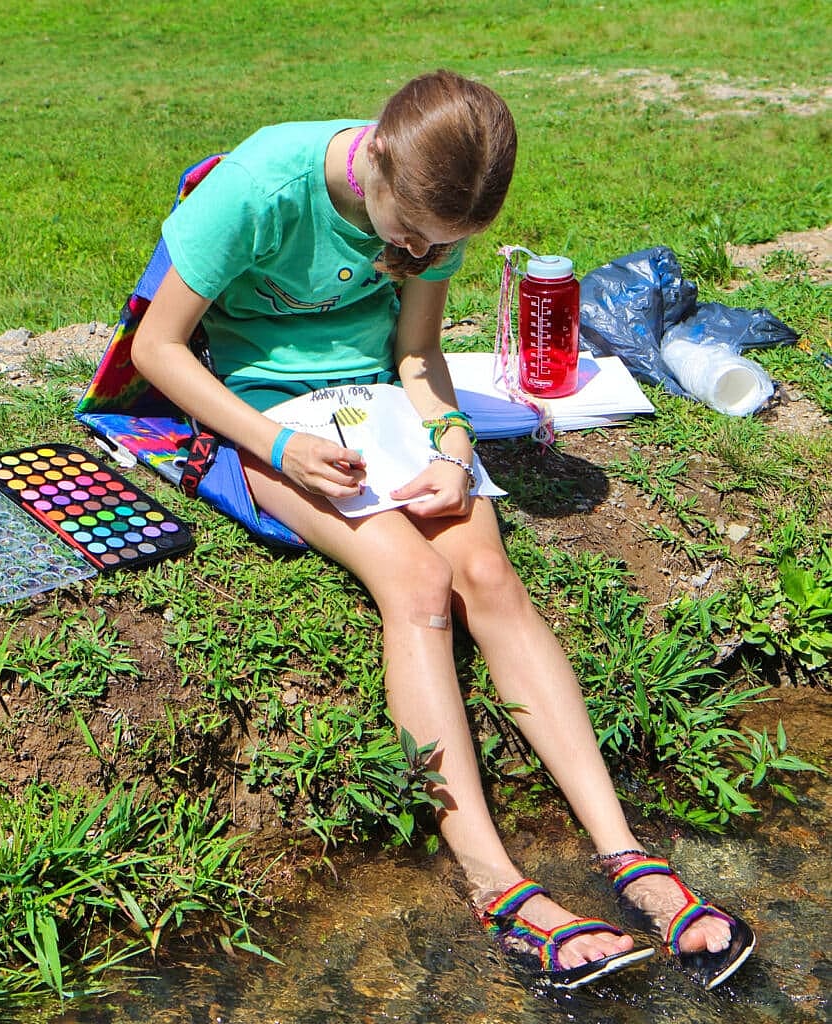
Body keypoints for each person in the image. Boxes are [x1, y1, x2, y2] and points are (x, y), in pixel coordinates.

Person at [130, 69, 755, 990]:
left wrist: (453, 446)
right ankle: (493, 880)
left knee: (491, 579)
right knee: (416, 587)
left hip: (378, 411)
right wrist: (275, 443)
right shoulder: (262, 185)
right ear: (377, 154)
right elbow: (157, 346)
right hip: (264, 413)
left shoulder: (436, 208)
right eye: (408, 235)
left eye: (441, 246)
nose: (418, 253)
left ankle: (624, 851)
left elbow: (418, 356)